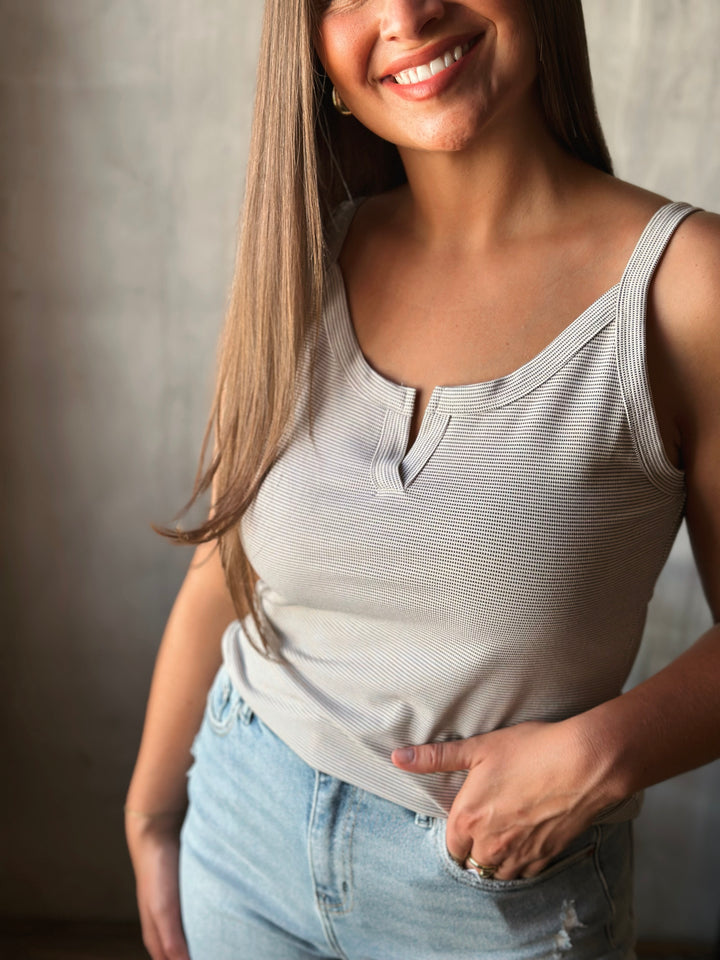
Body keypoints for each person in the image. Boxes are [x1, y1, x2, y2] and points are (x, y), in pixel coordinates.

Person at [125, 1, 720, 958]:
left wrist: (602, 755)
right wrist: (154, 809)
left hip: (494, 893)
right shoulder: (301, 259)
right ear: (312, 46)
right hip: (242, 837)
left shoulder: (688, 288)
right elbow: (230, 566)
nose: (406, 13)